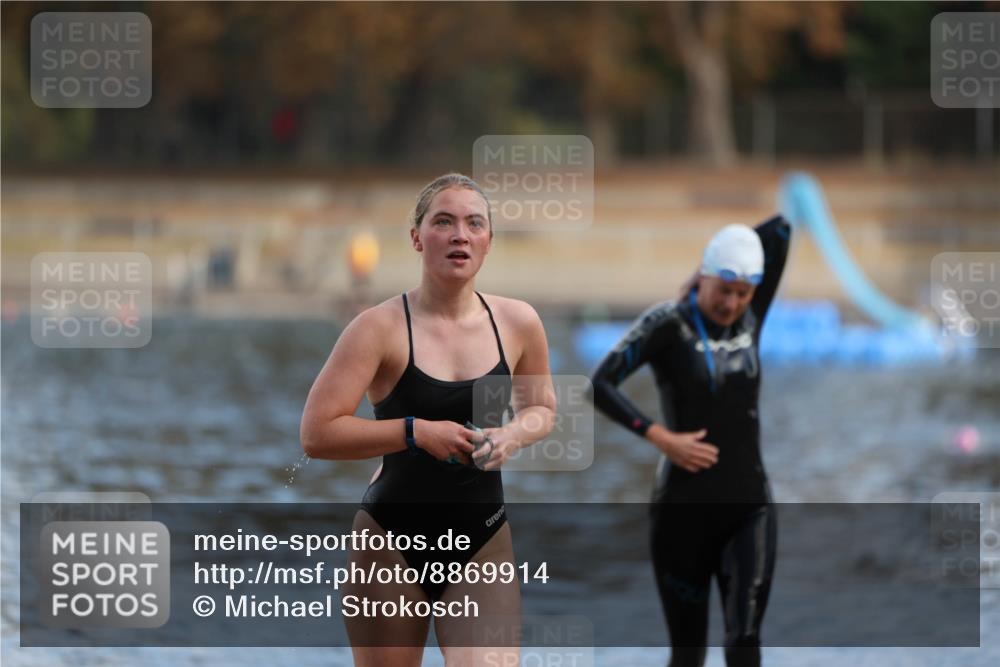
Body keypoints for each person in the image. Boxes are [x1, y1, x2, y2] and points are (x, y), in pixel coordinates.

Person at [301, 173, 556, 666]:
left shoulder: (519, 322)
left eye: (473, 223)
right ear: (417, 238)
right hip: (390, 541)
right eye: (444, 221)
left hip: (482, 538)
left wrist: (511, 435)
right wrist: (416, 432)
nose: (460, 234)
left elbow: (541, 409)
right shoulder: (377, 328)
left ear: (488, 241)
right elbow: (317, 434)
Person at [589, 216, 791, 667]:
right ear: (704, 274)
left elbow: (781, 230)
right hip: (682, 513)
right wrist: (661, 438)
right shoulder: (668, 324)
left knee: (743, 641)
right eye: (723, 289)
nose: (731, 303)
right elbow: (600, 385)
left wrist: (739, 254)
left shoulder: (752, 317)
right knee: (688, 654)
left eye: (742, 293)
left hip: (749, 508)